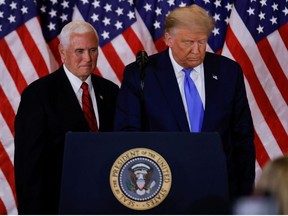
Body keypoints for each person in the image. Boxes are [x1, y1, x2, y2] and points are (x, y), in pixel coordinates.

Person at [114, 4, 255, 203]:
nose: (197, 50)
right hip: (161, 192)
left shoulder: (228, 72)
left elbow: (243, 138)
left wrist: (245, 195)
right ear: (168, 39)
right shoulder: (141, 74)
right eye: (188, 42)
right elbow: (127, 136)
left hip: (220, 191)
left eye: (202, 42)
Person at [14, 20, 119, 214]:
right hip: (59, 205)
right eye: (79, 51)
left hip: (106, 204)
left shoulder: (111, 92)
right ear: (62, 52)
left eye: (93, 50)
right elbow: (29, 168)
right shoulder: (38, 95)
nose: (87, 58)